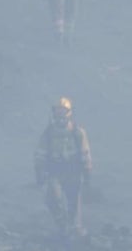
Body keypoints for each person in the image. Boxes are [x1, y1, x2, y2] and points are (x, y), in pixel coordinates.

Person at [33, 97, 91, 237]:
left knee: (74, 202)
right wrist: (40, 173)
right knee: (52, 198)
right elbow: (40, 154)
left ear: (69, 113)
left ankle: (74, 229)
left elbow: (85, 153)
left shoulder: (78, 133)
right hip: (55, 172)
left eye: (62, 111)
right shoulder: (48, 133)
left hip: (73, 172)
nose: (60, 115)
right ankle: (62, 225)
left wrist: (87, 173)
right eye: (57, 111)